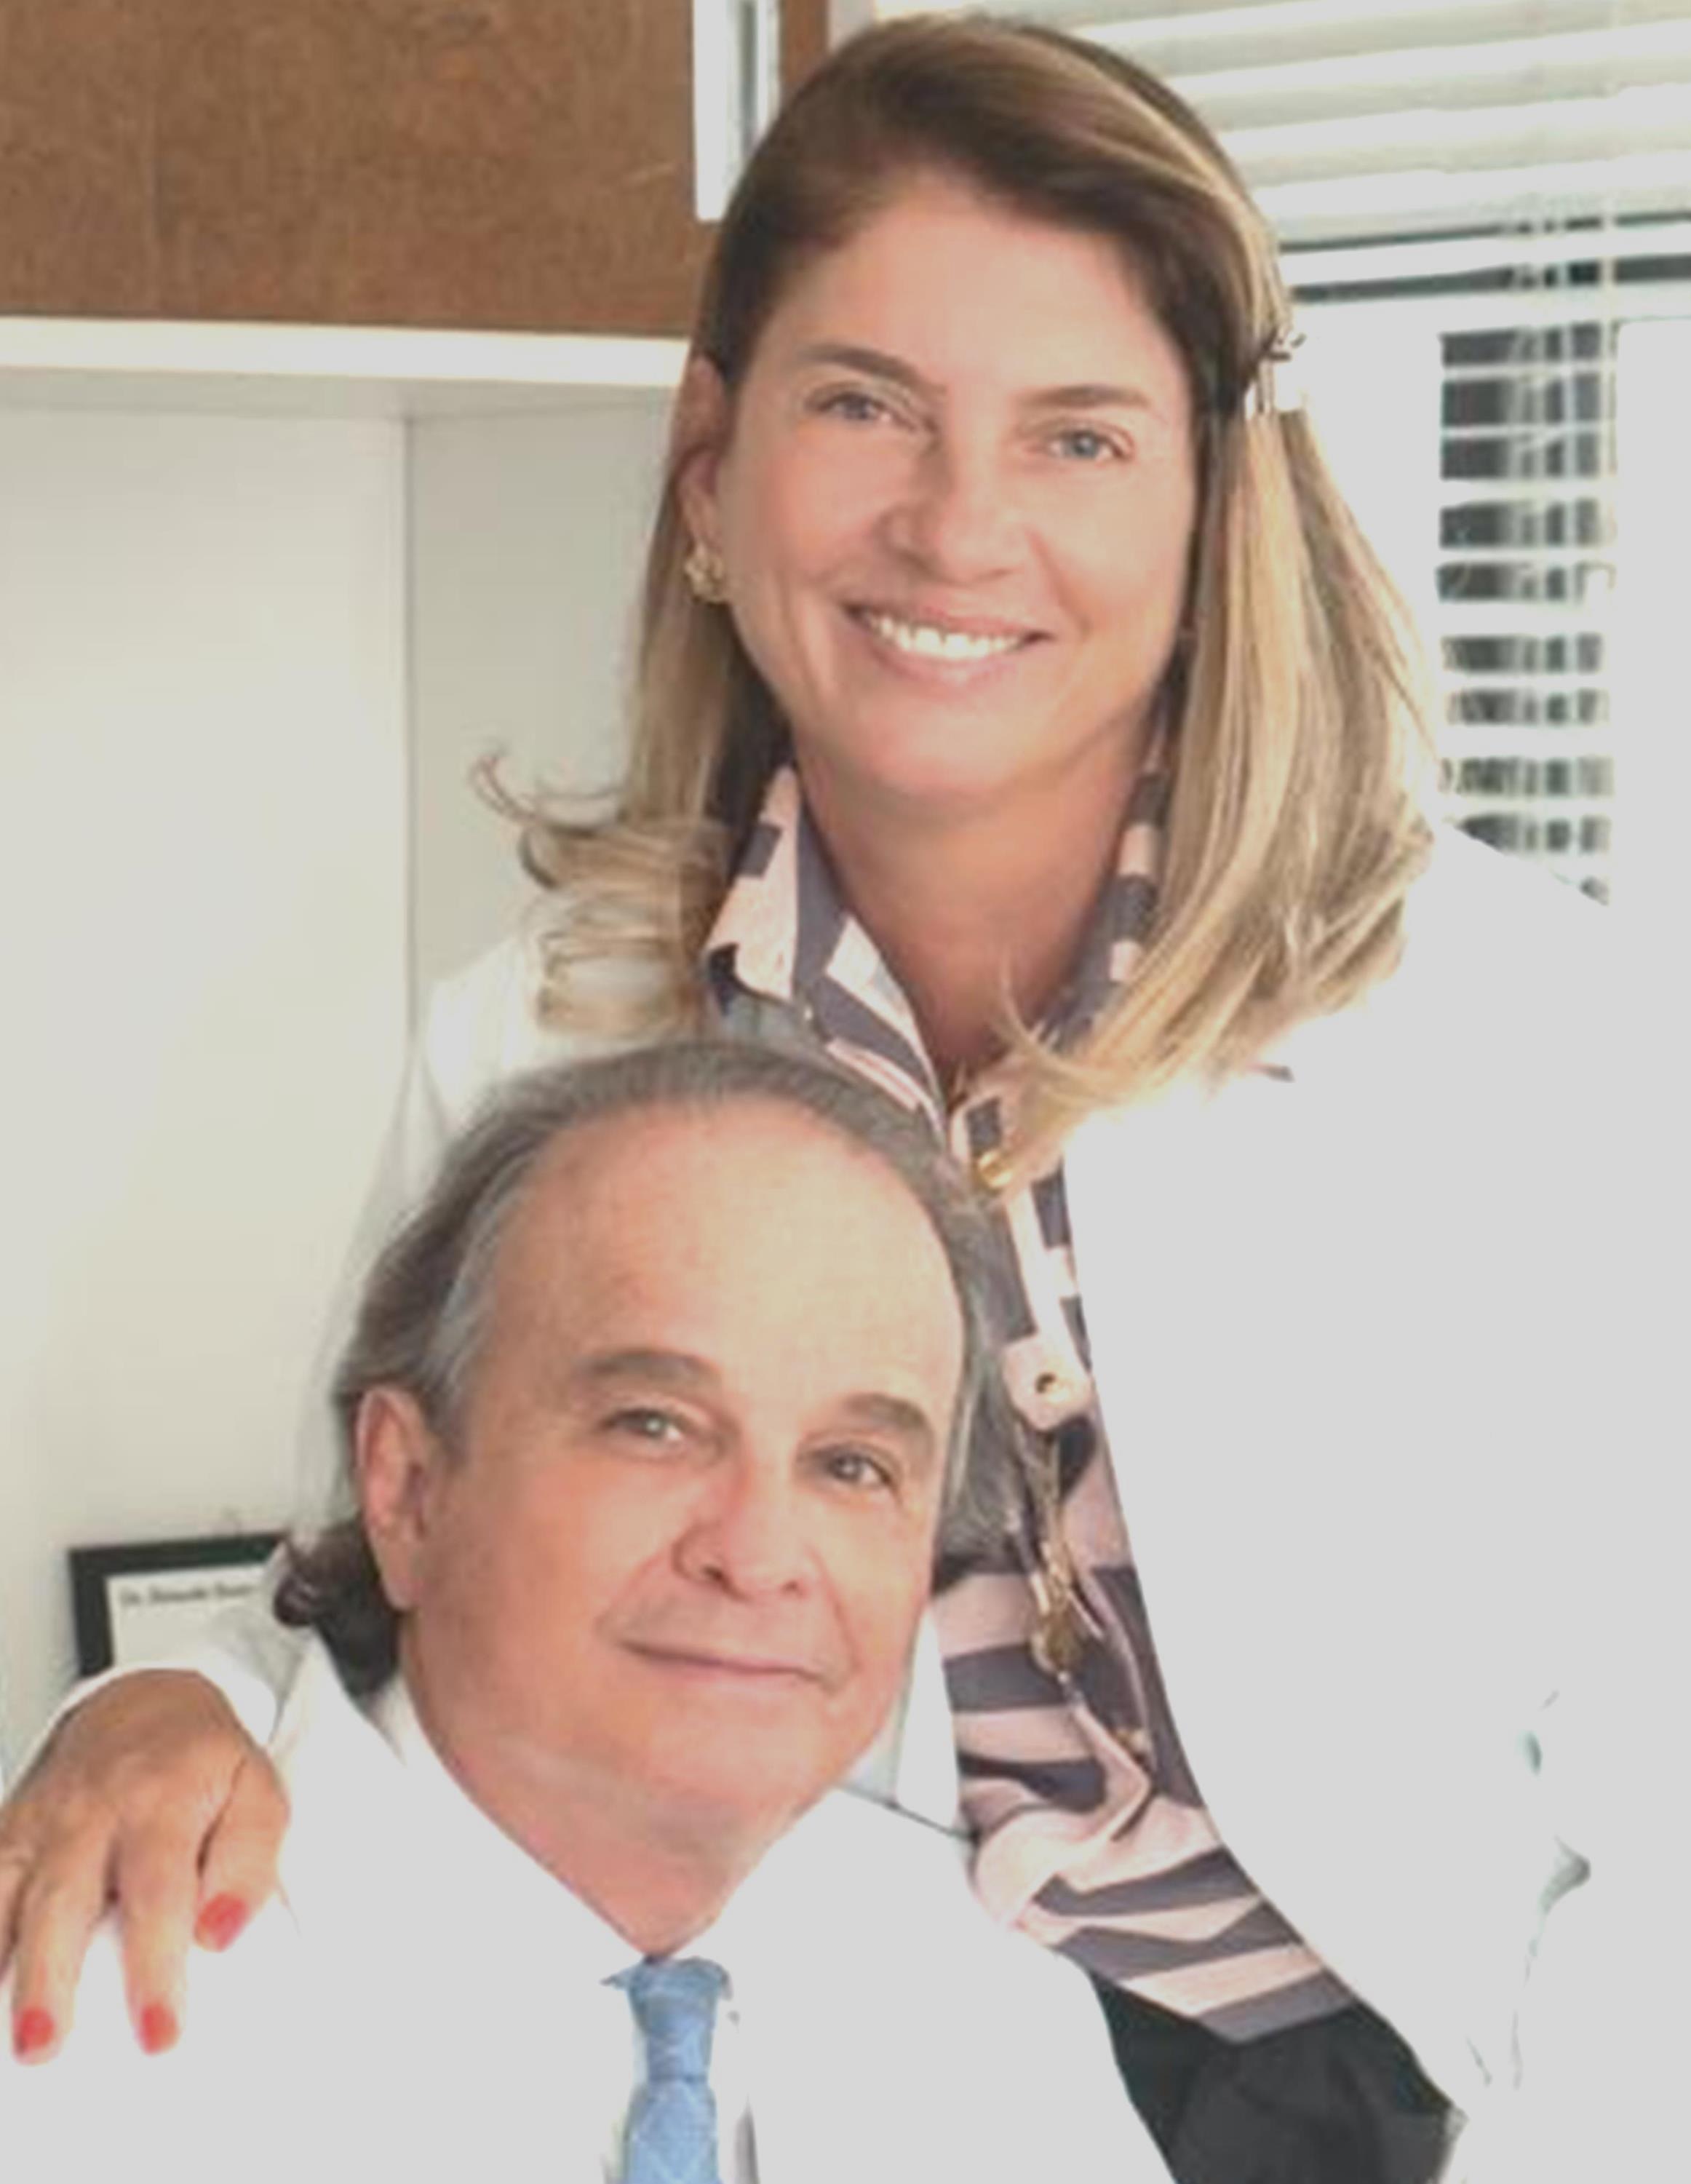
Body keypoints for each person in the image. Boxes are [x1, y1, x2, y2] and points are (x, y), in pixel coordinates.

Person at [0, 17, 1661, 2184]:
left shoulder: (1524, 1032)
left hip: (1439, 2103)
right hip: (879, 2070)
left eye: (1078, 437)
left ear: (1208, 510)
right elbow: (387, 1560)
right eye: (866, 404)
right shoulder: (548, 1034)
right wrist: (160, 1709)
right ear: (710, 466)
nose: (957, 527)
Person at [0, 1042, 1163, 2182]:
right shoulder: (80, 2035)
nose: (759, 1555)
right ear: (407, 1485)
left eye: (853, 1464)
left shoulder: (994, 2000)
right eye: (652, 1424)